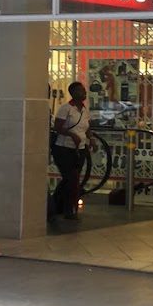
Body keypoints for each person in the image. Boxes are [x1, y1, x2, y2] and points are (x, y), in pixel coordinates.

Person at [52, 81, 90, 221]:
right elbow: (58, 127)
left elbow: (87, 127)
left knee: (71, 179)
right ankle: (69, 209)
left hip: (79, 149)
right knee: (71, 179)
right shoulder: (66, 109)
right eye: (80, 90)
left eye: (84, 90)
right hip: (64, 149)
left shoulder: (84, 110)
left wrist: (91, 139)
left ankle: (55, 204)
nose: (84, 92)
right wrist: (72, 135)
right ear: (73, 93)